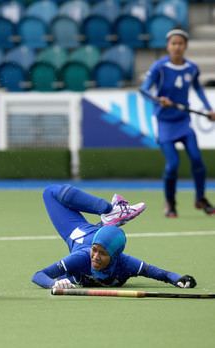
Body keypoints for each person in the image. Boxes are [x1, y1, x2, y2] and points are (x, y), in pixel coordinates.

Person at [31, 184, 197, 289]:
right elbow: (39, 276)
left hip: (97, 236)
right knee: (50, 192)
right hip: (78, 233)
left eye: (102, 253)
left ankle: (107, 222)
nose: (95, 257)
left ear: (114, 256)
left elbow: (162, 274)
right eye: (94, 251)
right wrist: (53, 284)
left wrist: (179, 279)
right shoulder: (83, 257)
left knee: (101, 240)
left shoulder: (126, 264)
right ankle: (108, 210)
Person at [140, 28, 215, 218]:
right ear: (168, 46)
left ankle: (200, 198)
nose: (177, 47)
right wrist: (159, 99)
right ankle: (170, 203)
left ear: (186, 46)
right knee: (172, 164)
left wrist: (208, 109)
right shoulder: (159, 67)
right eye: (173, 43)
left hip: (184, 121)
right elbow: (143, 90)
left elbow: (198, 89)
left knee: (197, 160)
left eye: (180, 43)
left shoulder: (192, 68)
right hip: (165, 123)